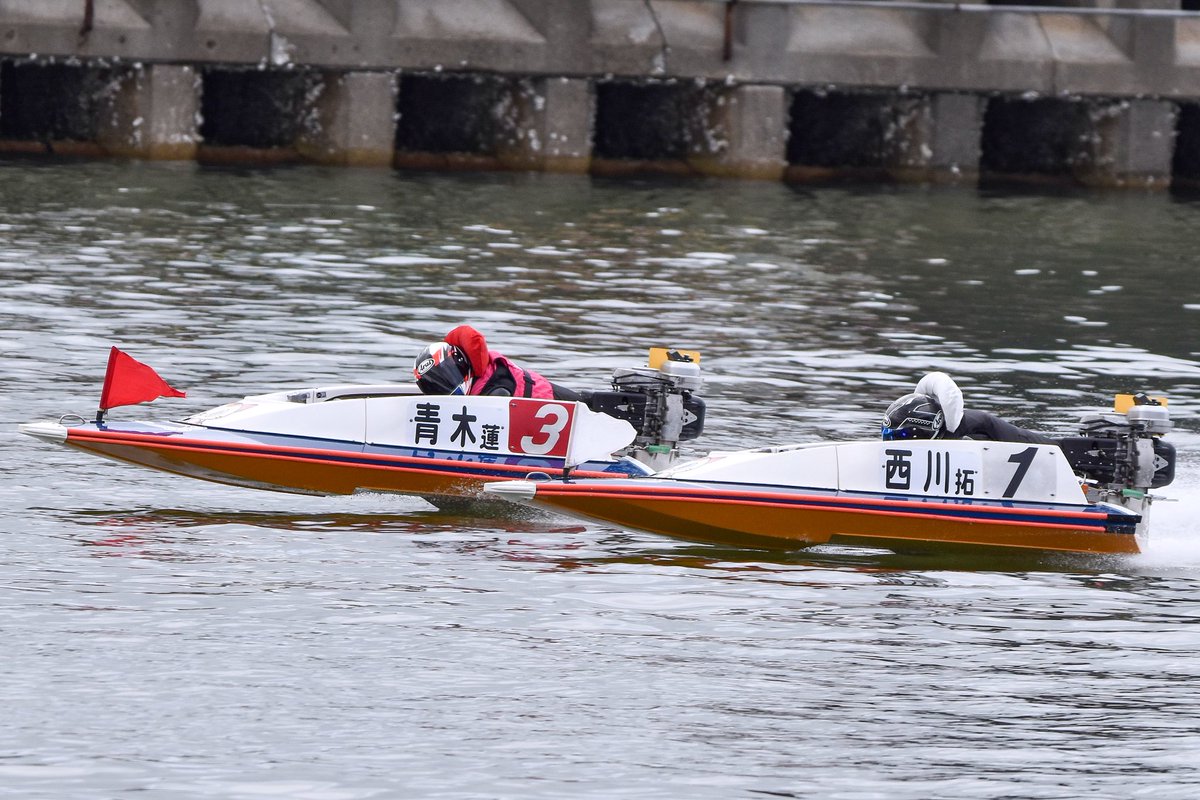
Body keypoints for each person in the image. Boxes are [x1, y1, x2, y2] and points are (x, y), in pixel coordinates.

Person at [412, 324, 580, 401]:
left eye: (447, 375)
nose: (445, 386)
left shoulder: (495, 393)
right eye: (435, 385)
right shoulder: (480, 375)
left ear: (461, 363)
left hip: (554, 404)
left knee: (589, 404)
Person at [881, 371, 1055, 445]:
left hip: (1021, 445)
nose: (890, 441)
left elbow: (950, 392)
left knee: (1057, 448)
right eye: (887, 434)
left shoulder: (965, 440)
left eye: (901, 435)